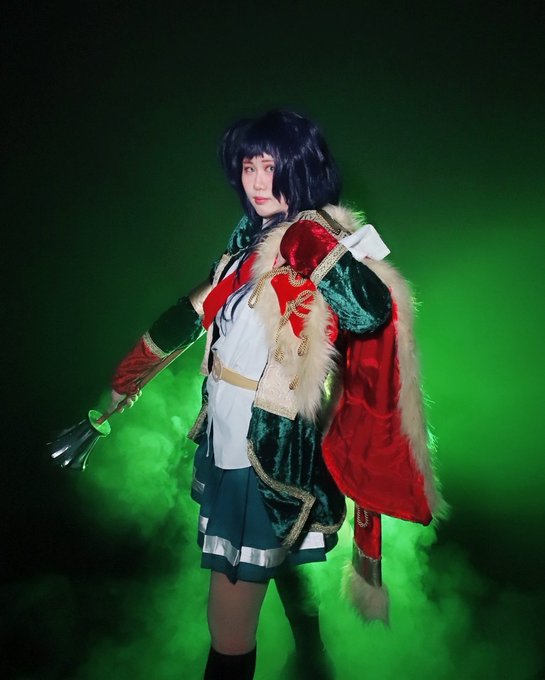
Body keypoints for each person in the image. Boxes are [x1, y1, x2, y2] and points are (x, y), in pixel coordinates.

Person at [109, 110, 442, 679]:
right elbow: (194, 311)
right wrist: (125, 381)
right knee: (277, 559)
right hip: (228, 434)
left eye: (271, 167)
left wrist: (308, 243)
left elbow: (371, 311)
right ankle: (313, 657)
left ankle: (307, 658)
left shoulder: (319, 241)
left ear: (301, 170)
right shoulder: (246, 245)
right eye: (248, 167)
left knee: (228, 625)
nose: (258, 182)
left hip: (267, 450)